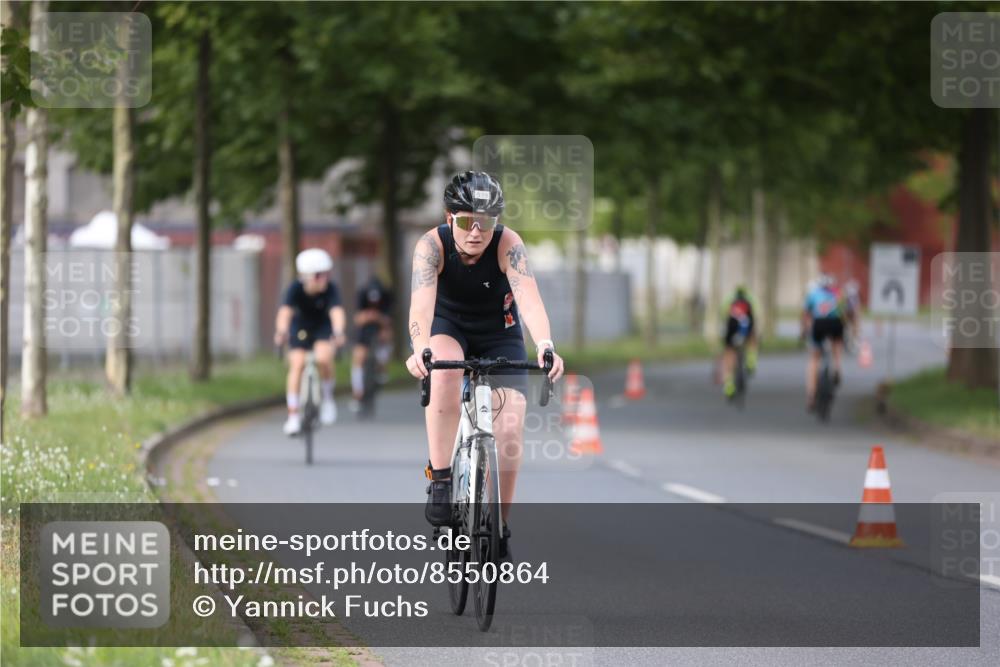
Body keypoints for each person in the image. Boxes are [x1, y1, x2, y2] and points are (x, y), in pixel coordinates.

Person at [404, 171, 565, 557]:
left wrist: (545, 344)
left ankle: (500, 526)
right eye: (465, 221)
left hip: (499, 332)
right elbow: (421, 307)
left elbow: (530, 300)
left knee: (510, 426)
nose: (476, 231)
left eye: (486, 222)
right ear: (449, 220)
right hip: (448, 327)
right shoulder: (431, 247)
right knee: (445, 373)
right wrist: (421, 348)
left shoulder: (509, 245)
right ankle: (441, 478)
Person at [274, 248, 347, 435]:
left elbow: (336, 312)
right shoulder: (295, 289)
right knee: (297, 365)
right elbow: (285, 312)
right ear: (306, 276)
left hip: (322, 327)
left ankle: (328, 398)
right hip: (300, 328)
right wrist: (281, 331)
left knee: (324, 358)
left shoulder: (331, 289)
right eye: (318, 276)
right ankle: (293, 416)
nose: (323, 279)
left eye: (325, 274)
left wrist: (338, 331)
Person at [801, 273, 844, 411]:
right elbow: (844, 313)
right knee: (837, 345)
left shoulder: (813, 294)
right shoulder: (838, 294)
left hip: (818, 324)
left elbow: (806, 314)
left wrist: (804, 330)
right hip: (835, 323)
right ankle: (837, 368)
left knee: (814, 359)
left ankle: (811, 396)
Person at [350, 275, 393, 410]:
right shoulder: (362, 295)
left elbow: (387, 320)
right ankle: (357, 392)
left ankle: (382, 366)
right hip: (364, 329)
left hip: (380, 327)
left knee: (386, 336)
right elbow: (358, 319)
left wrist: (377, 318)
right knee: (359, 357)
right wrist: (369, 317)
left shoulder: (386, 296)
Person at [721, 284, 757, 398]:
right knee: (752, 338)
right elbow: (756, 315)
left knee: (729, 353)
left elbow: (723, 315)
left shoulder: (728, 299)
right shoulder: (751, 299)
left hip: (731, 326)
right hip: (746, 325)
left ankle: (728, 384)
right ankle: (751, 361)